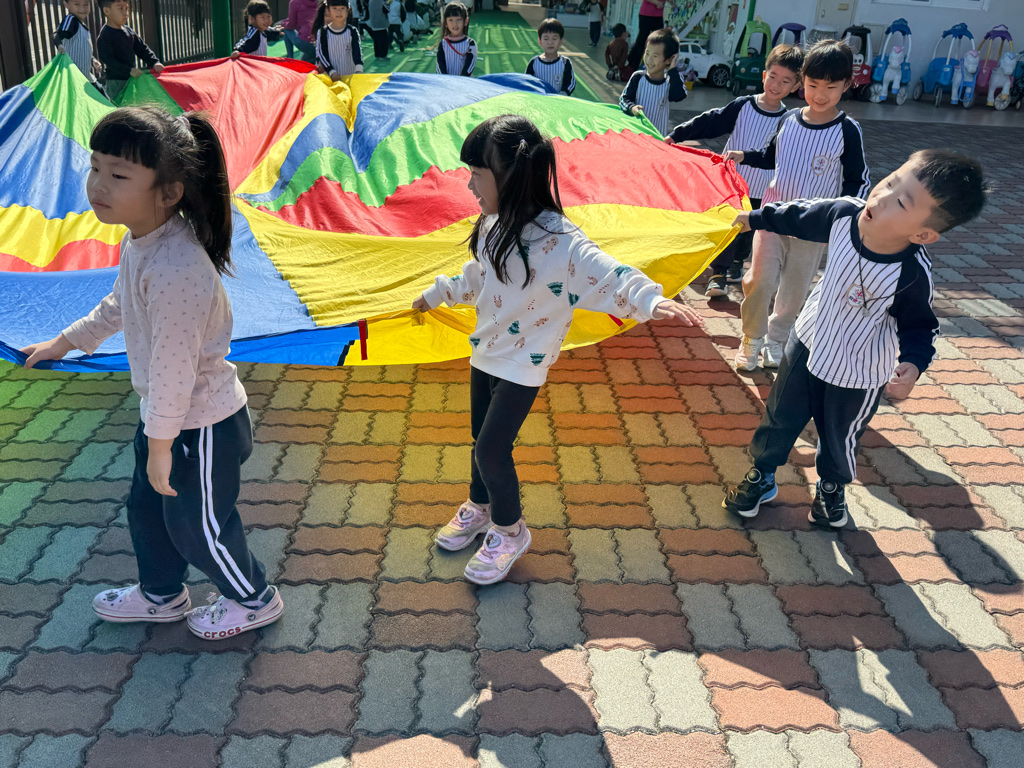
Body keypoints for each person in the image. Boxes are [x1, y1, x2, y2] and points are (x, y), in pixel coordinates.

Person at [20, 107, 284, 639]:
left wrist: (161, 445)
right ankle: (162, 594)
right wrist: (64, 342)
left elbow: (173, 368)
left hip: (202, 426)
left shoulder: (176, 268)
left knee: (198, 526)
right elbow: (119, 305)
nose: (99, 185)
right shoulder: (141, 242)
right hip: (166, 419)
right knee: (147, 511)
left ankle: (255, 598)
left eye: (119, 175)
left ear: (169, 193)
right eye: (95, 167)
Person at [412, 115, 704, 584]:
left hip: (524, 364)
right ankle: (480, 505)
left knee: (492, 449)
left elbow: (609, 273)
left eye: (477, 174)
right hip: (486, 351)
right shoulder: (492, 224)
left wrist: (651, 300)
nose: (469, 185)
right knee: (480, 439)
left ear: (510, 175)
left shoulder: (563, 242)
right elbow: (482, 277)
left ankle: (510, 530)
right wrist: (440, 292)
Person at [723, 150, 987, 527]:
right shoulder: (844, 213)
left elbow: (920, 326)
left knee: (840, 435)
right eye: (890, 181)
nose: (881, 197)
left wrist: (913, 363)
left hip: (858, 371)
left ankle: (831, 487)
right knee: (779, 416)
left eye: (901, 202)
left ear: (922, 234)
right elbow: (799, 215)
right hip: (808, 341)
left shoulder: (911, 274)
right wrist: (755, 218)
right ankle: (762, 476)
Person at [724, 39, 869, 371]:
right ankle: (752, 338)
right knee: (759, 280)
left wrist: (849, 220)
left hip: (812, 227)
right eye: (813, 85)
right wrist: (744, 156)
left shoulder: (847, 130)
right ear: (802, 80)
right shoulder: (788, 120)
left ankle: (777, 338)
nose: (820, 94)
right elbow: (772, 156)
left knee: (794, 288)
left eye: (830, 87)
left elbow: (857, 181)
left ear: (846, 84)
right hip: (772, 217)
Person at [666, 44, 803, 299]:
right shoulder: (743, 106)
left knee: (747, 234)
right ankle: (718, 275)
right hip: (731, 184)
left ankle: (738, 263)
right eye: (773, 77)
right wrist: (677, 135)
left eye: (785, 81)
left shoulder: (790, 120)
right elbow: (711, 121)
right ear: (764, 75)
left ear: (795, 86)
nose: (776, 85)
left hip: (762, 189)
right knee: (728, 227)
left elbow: (783, 157)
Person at [619, 28, 686, 136]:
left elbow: (678, 96)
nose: (649, 60)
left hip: (657, 139)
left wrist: (672, 69)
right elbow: (624, 99)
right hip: (636, 137)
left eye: (655, 56)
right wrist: (632, 108)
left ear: (668, 59)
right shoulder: (638, 78)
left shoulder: (670, 82)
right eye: (647, 53)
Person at [96, 0, 163, 102]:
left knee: (132, 105)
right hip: (116, 82)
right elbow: (109, 61)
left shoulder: (129, 31)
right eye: (120, 9)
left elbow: (142, 49)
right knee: (119, 107)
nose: (125, 13)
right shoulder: (105, 36)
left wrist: (154, 62)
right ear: (107, 11)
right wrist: (128, 70)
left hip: (131, 79)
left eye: (127, 9)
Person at [52, 0, 102, 86]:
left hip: (83, 78)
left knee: (100, 92)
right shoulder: (71, 20)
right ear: (66, 4)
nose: (82, 8)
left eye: (86, 4)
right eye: (77, 4)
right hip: (71, 79)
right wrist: (59, 45)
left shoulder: (81, 26)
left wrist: (92, 60)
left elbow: (80, 49)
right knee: (100, 93)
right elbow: (57, 34)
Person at [525, 18, 575, 96]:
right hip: (539, 101)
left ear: (560, 41)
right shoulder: (534, 62)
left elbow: (570, 83)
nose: (550, 42)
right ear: (540, 41)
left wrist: (564, 93)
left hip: (558, 101)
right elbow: (527, 81)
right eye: (546, 39)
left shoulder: (565, 62)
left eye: (554, 39)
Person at [314, 0, 364, 78]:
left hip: (350, 76)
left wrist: (358, 69)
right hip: (330, 77)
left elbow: (357, 51)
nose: (339, 12)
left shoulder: (352, 31)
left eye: (342, 8)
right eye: (335, 8)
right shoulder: (323, 32)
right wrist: (331, 71)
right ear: (328, 10)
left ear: (348, 10)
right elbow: (322, 54)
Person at [436, 2, 477, 77]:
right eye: (450, 20)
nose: (455, 24)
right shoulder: (443, 44)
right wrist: (445, 79)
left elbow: (470, 66)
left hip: (464, 82)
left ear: (465, 22)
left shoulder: (470, 44)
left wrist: (461, 80)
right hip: (446, 82)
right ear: (446, 23)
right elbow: (440, 65)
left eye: (458, 20)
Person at [626, 0, 664, 70]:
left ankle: (655, 64)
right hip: (646, 14)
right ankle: (633, 64)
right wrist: (657, 3)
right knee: (642, 40)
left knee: (659, 40)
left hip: (658, 15)